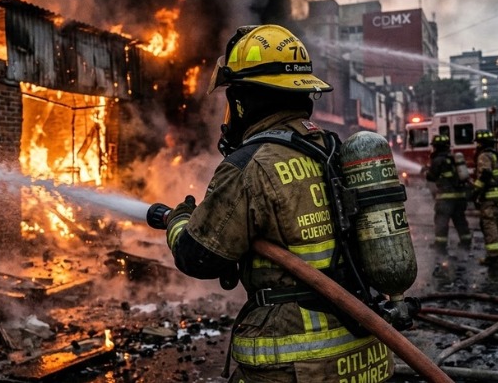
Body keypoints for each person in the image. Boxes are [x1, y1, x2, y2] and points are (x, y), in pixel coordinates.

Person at [158, 25, 394, 383]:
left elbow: (199, 257)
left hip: (300, 366)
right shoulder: (334, 150)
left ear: (243, 101)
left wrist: (179, 221)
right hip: (367, 355)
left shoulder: (250, 165)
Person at [425, 134, 472, 250]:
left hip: (446, 198)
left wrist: (426, 171)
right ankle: (466, 241)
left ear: (435, 147)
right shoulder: (454, 158)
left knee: (441, 221)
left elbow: (431, 177)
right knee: (460, 220)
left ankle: (440, 245)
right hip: (459, 197)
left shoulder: (437, 160)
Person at [471, 130, 498, 267]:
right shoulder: (496, 155)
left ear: (480, 143)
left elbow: (485, 174)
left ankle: (494, 256)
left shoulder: (484, 156)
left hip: (491, 197)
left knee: (489, 224)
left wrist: (475, 191)